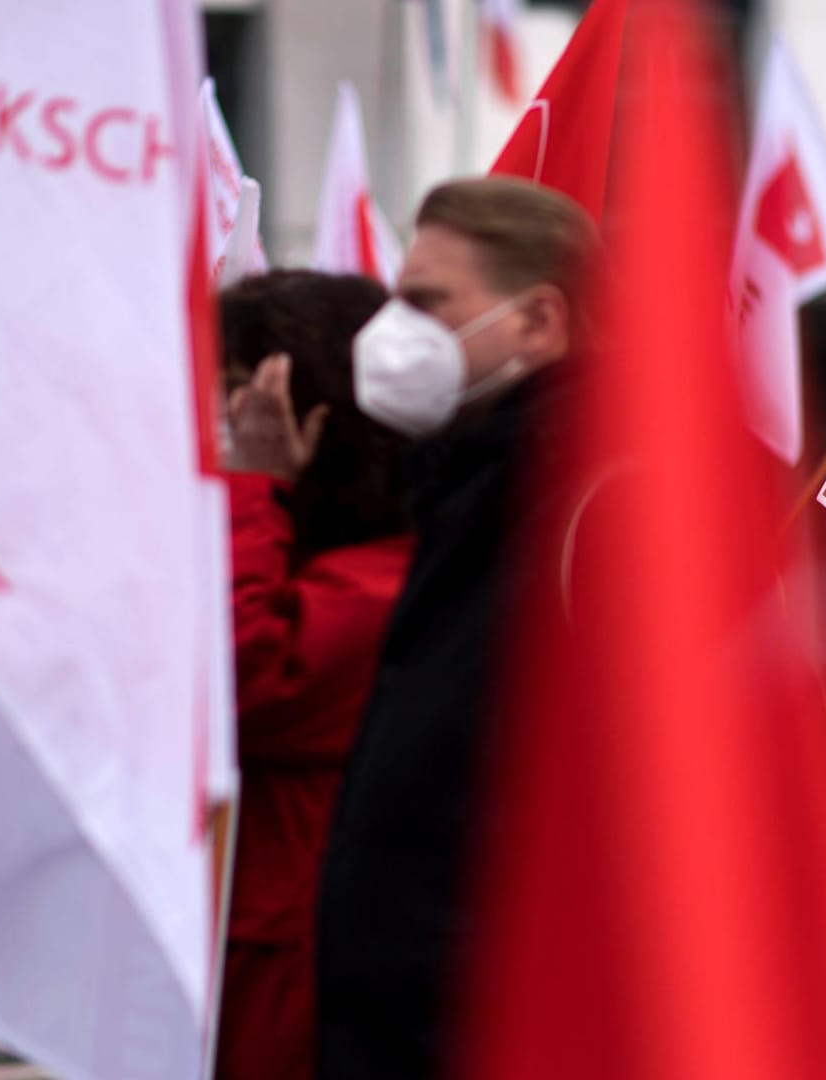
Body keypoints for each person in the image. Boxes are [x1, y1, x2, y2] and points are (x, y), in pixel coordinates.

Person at [314, 177, 600, 1080]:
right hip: (409, 1009)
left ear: (538, 323)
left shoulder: (602, 506)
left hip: (493, 1023)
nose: (389, 333)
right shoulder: (473, 482)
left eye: (426, 303)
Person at [214, 270, 414, 1080]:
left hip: (297, 950)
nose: (222, 419)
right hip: (249, 931)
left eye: (240, 393)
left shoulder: (380, 582)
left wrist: (252, 485)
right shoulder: (302, 550)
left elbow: (235, 676)